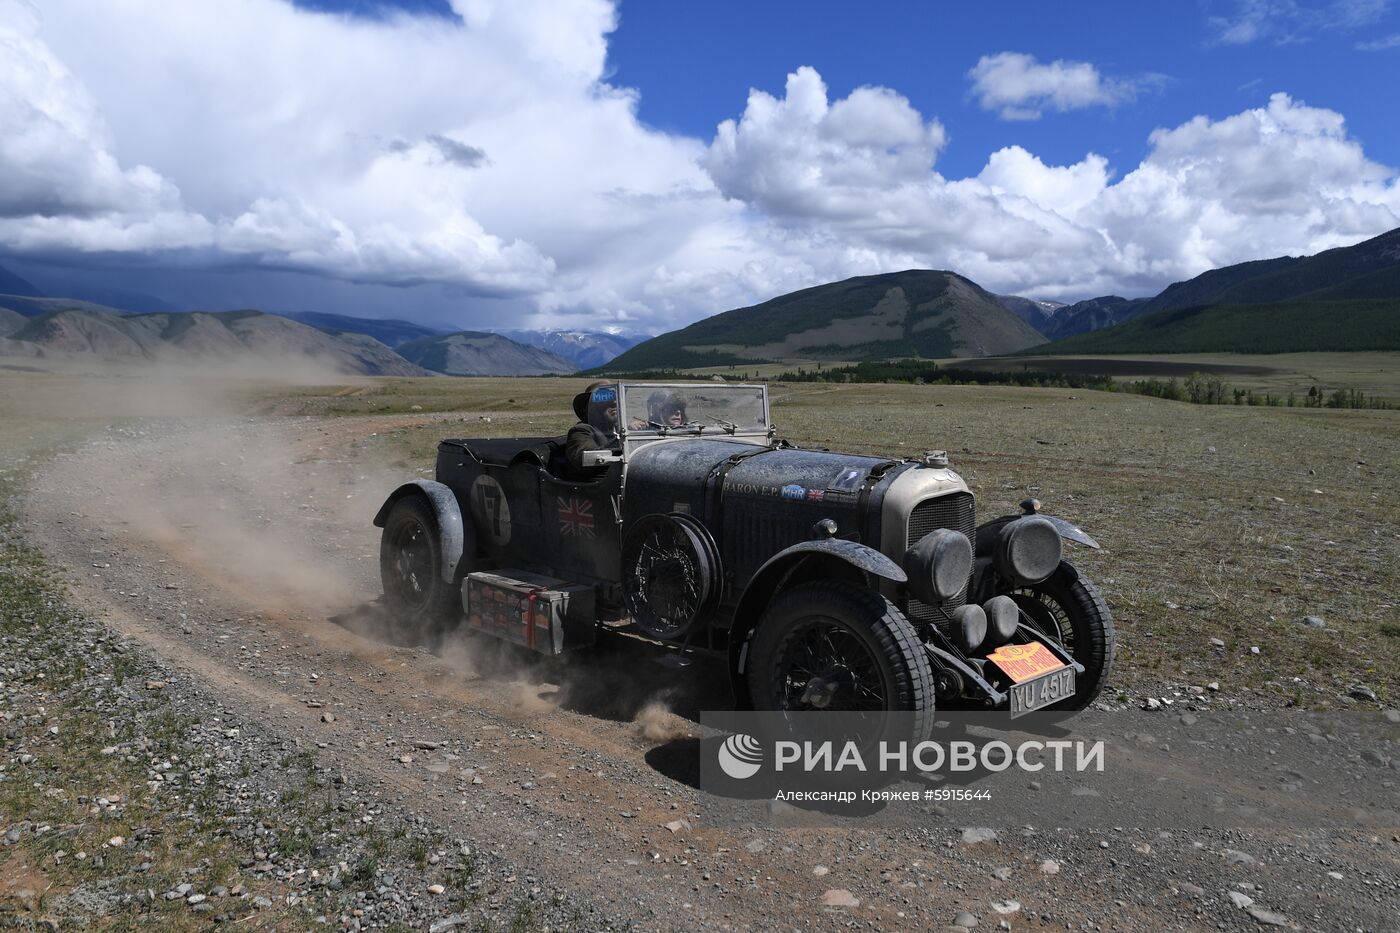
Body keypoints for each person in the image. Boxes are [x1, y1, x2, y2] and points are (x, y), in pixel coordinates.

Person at [565, 381, 619, 479]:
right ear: (590, 407)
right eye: (604, 398)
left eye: (615, 397)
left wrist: (637, 432)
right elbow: (583, 459)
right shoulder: (581, 430)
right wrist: (621, 441)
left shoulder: (620, 429)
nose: (614, 402)